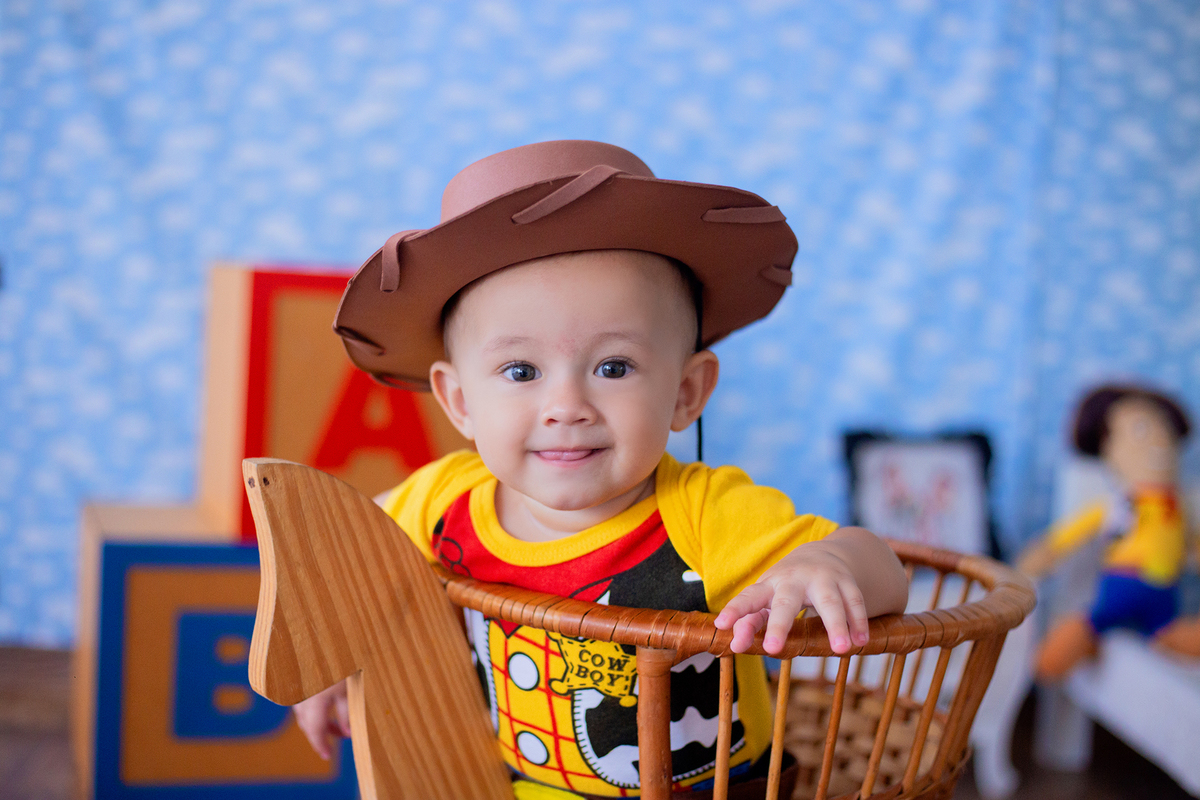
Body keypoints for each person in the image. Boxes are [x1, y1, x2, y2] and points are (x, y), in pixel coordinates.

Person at [297, 140, 909, 797]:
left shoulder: (705, 514)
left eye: (613, 367)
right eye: (521, 371)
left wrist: (832, 567)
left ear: (685, 393)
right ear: (460, 401)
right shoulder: (443, 502)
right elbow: (345, 563)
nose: (566, 406)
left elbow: (885, 570)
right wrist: (333, 654)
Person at [1019, 384, 1198, 680]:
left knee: (1168, 631)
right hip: (1123, 580)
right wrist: (1039, 558)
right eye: (1142, 431)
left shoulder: (1180, 511)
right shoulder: (1119, 505)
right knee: (1096, 618)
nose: (1158, 444)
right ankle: (1077, 639)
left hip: (1165, 592)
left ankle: (1170, 637)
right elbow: (1068, 536)